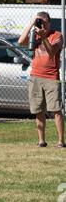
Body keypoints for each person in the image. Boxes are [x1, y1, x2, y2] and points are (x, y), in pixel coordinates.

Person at [18, 12, 65, 147]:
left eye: (44, 22)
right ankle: (41, 141)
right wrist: (32, 22)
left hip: (51, 77)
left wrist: (44, 37)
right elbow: (21, 41)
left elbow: (52, 52)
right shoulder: (35, 35)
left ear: (49, 23)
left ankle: (61, 141)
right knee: (38, 110)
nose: (42, 25)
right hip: (35, 77)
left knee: (56, 109)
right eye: (40, 22)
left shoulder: (57, 35)